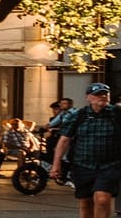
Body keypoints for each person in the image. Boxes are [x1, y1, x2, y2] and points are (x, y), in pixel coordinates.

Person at [54, 82, 121, 218]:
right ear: (88, 97)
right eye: (97, 95)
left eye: (105, 94)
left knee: (102, 199)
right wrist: (56, 164)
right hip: (82, 164)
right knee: (86, 202)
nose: (102, 97)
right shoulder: (78, 115)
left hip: (110, 165)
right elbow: (64, 139)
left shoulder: (117, 114)